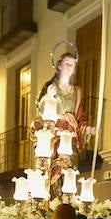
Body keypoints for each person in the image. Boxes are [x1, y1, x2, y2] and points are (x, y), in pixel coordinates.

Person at [32, 45, 94, 175]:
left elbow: (79, 118)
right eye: (67, 64)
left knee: (68, 173)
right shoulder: (51, 87)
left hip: (69, 138)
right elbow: (42, 109)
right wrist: (48, 97)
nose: (69, 68)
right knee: (51, 171)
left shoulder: (76, 92)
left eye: (72, 65)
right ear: (59, 66)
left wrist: (88, 130)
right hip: (54, 136)